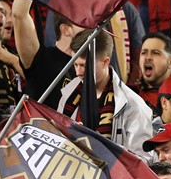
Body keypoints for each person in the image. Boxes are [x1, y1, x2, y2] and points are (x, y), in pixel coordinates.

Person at [57, 27, 154, 157]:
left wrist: (100, 148)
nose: (78, 72)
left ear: (105, 62)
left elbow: (143, 161)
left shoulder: (134, 106)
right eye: (75, 65)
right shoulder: (68, 94)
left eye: (84, 66)